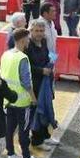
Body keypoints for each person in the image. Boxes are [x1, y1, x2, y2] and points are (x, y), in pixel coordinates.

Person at [1, 28, 45, 158]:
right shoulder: (22, 58)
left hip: (8, 100)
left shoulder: (6, 54)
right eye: (27, 38)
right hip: (22, 102)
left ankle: (11, 155)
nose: (29, 40)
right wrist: (33, 98)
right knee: (24, 130)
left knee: (9, 129)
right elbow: (26, 82)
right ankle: (26, 157)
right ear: (22, 40)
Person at [27, 19, 56, 148]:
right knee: (37, 111)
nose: (39, 33)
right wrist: (41, 70)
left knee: (46, 107)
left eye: (42, 31)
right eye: (37, 31)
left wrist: (51, 61)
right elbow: (27, 66)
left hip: (45, 81)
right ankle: (37, 140)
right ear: (31, 31)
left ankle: (46, 136)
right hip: (34, 83)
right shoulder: (27, 45)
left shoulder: (43, 41)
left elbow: (46, 57)